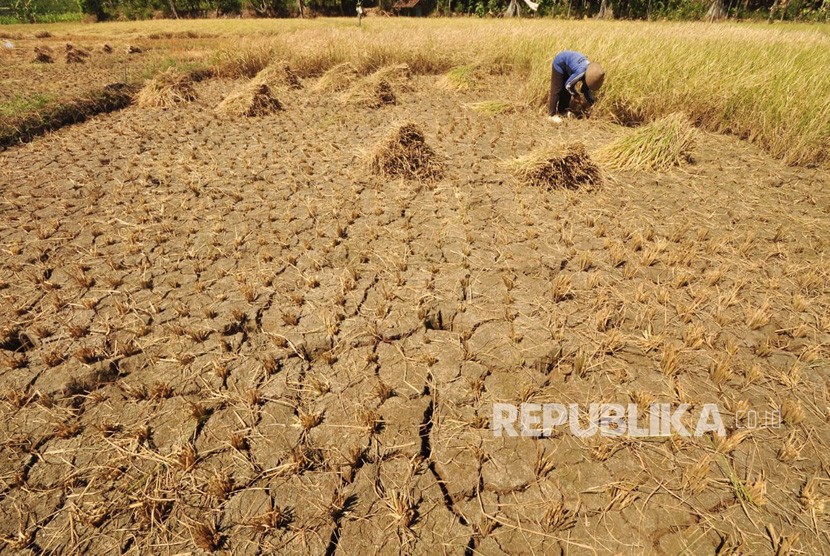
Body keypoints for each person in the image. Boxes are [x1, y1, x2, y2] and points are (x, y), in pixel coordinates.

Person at [548, 51, 605, 123]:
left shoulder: (591, 72)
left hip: (570, 66)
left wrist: (591, 103)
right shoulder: (581, 72)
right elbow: (568, 85)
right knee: (557, 90)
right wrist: (576, 95)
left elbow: (586, 90)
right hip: (560, 63)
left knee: (567, 92)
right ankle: (551, 115)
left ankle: (563, 111)